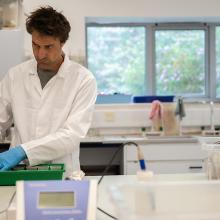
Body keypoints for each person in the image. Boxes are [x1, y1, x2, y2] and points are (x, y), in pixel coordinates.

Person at [0, 6, 97, 178]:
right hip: (19, 173)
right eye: (35, 45)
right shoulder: (15, 76)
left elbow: (72, 135)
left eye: (48, 47)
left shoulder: (83, 80)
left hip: (63, 175)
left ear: (62, 42)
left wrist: (22, 151)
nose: (40, 54)